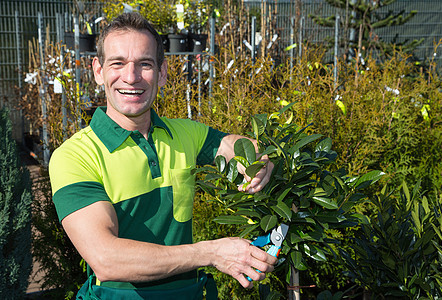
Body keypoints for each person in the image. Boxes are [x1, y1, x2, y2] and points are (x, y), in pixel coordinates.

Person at [49, 12, 276, 299]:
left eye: (144, 64)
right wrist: (212, 252)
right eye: (117, 63)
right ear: (98, 70)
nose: (131, 77)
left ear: (162, 72)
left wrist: (258, 157)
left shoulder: (184, 134)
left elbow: (233, 145)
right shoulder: (74, 156)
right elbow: (107, 259)